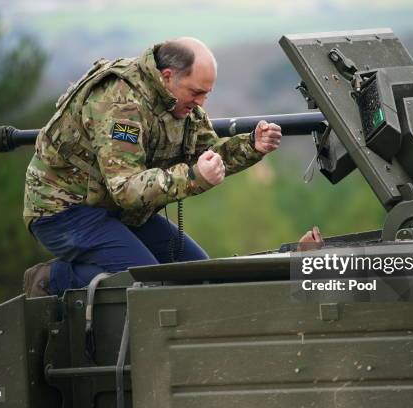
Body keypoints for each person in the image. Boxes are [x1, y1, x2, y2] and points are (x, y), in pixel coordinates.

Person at [23, 37, 282, 297]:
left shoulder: (180, 103)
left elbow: (209, 154)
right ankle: (55, 279)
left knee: (202, 276)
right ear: (168, 76)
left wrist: (252, 145)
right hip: (64, 211)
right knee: (147, 285)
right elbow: (126, 189)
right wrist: (193, 176)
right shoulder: (121, 104)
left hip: (118, 211)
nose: (201, 102)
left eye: (206, 93)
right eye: (196, 93)